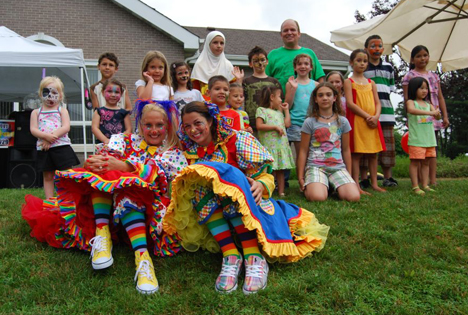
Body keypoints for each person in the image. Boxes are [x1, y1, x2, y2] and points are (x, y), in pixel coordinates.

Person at [163, 101, 329, 295]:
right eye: (187, 126)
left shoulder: (237, 140)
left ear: (211, 120)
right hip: (217, 220)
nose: (193, 130)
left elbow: (266, 175)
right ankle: (231, 255)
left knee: (229, 183)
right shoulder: (189, 154)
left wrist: (261, 184)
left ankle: (253, 256)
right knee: (200, 186)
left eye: (198, 123)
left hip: (251, 209)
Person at [23, 100, 188, 294]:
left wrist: (125, 167)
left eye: (159, 125)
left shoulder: (172, 153)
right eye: (148, 125)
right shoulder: (125, 141)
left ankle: (143, 258)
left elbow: (156, 178)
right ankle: (102, 234)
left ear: (167, 126)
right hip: (108, 207)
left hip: (149, 211)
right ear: (140, 125)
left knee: (129, 184)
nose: (153, 130)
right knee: (106, 168)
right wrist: (95, 163)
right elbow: (101, 161)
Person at [297, 82, 360, 202]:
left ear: (335, 98)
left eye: (328, 95)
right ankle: (318, 186)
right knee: (317, 197)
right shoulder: (309, 122)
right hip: (316, 166)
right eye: (320, 95)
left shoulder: (343, 121)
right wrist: (300, 177)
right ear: (315, 99)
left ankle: (331, 185)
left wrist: (349, 175)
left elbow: (346, 150)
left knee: (354, 197)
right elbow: (303, 151)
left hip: (337, 167)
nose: (325, 98)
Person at [402, 45, 450, 187]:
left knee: (431, 150)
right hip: (417, 118)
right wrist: (408, 118)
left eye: (425, 55)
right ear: (412, 59)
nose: (422, 58)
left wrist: (445, 116)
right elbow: (407, 99)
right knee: (418, 151)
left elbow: (440, 97)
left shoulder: (434, 76)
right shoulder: (409, 76)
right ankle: (418, 182)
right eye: (418, 56)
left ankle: (432, 180)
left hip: (432, 118)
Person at [30, 76, 80, 199]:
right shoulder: (36, 112)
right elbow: (33, 129)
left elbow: (66, 127)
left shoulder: (62, 110)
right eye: (46, 92)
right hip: (44, 148)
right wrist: (45, 137)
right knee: (47, 176)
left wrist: (51, 137)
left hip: (61, 147)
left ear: (60, 95)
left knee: (66, 174)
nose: (50, 96)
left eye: (54, 93)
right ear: (40, 94)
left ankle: (68, 199)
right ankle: (50, 201)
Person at [344, 49, 386, 194]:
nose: (362, 63)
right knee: (356, 154)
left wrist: (376, 117)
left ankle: (374, 183)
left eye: (364, 61)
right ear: (351, 62)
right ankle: (356, 184)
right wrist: (367, 116)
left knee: (373, 154)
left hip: (373, 122)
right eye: (358, 60)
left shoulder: (371, 83)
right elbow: (350, 103)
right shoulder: (348, 82)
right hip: (358, 122)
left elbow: (378, 103)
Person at [359, 35, 398, 189]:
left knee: (388, 147)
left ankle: (388, 177)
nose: (376, 49)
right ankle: (364, 178)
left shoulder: (388, 67)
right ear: (366, 49)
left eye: (379, 46)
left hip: (386, 113)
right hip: (367, 114)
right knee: (366, 147)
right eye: (373, 46)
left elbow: (390, 89)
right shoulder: (363, 67)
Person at [266, 19, 325, 94]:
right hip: (279, 104)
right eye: (285, 30)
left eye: (293, 30)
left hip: (307, 104)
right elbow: (265, 81)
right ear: (281, 34)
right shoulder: (273, 55)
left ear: (299, 33)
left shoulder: (309, 53)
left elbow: (320, 79)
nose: (289, 33)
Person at [256, 86, 294, 197]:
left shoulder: (279, 112)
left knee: (280, 171)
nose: (281, 100)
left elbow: (287, 124)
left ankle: (281, 192)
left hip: (280, 146)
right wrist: (275, 127)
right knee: (269, 170)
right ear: (272, 97)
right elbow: (259, 126)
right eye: (279, 97)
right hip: (268, 147)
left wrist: (286, 111)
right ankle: (268, 189)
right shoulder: (261, 110)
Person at [406, 77, 440, 195]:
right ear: (414, 89)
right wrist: (431, 112)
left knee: (426, 163)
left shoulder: (428, 104)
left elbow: (437, 117)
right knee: (415, 163)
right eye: (421, 88)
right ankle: (415, 186)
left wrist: (437, 113)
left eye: (426, 88)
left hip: (429, 139)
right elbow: (412, 110)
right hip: (417, 139)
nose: (424, 91)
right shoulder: (411, 102)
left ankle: (425, 185)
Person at [285, 54, 319, 164]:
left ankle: (309, 177)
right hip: (296, 123)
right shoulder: (290, 83)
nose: (303, 66)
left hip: (312, 123)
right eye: (299, 64)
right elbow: (288, 105)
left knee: (311, 153)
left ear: (311, 67)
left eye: (306, 64)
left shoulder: (316, 85)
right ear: (295, 67)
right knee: (301, 154)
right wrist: (293, 89)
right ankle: (301, 178)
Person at [191, 31, 244, 97]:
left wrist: (239, 81)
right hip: (204, 105)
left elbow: (233, 91)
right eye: (215, 42)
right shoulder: (200, 64)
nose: (219, 46)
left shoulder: (228, 65)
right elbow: (195, 91)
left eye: (222, 43)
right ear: (208, 44)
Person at [243, 46, 282, 132]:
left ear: (267, 61)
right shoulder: (245, 82)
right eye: (256, 61)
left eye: (262, 60)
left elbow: (279, 103)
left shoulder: (274, 82)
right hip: (251, 125)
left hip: (271, 124)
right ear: (250, 64)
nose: (260, 63)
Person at [91, 78, 132, 144]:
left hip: (120, 145)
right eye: (109, 91)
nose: (113, 95)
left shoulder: (124, 113)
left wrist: (120, 139)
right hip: (103, 145)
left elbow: (129, 129)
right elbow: (94, 128)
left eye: (117, 92)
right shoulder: (98, 111)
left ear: (121, 94)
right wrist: (105, 140)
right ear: (103, 92)